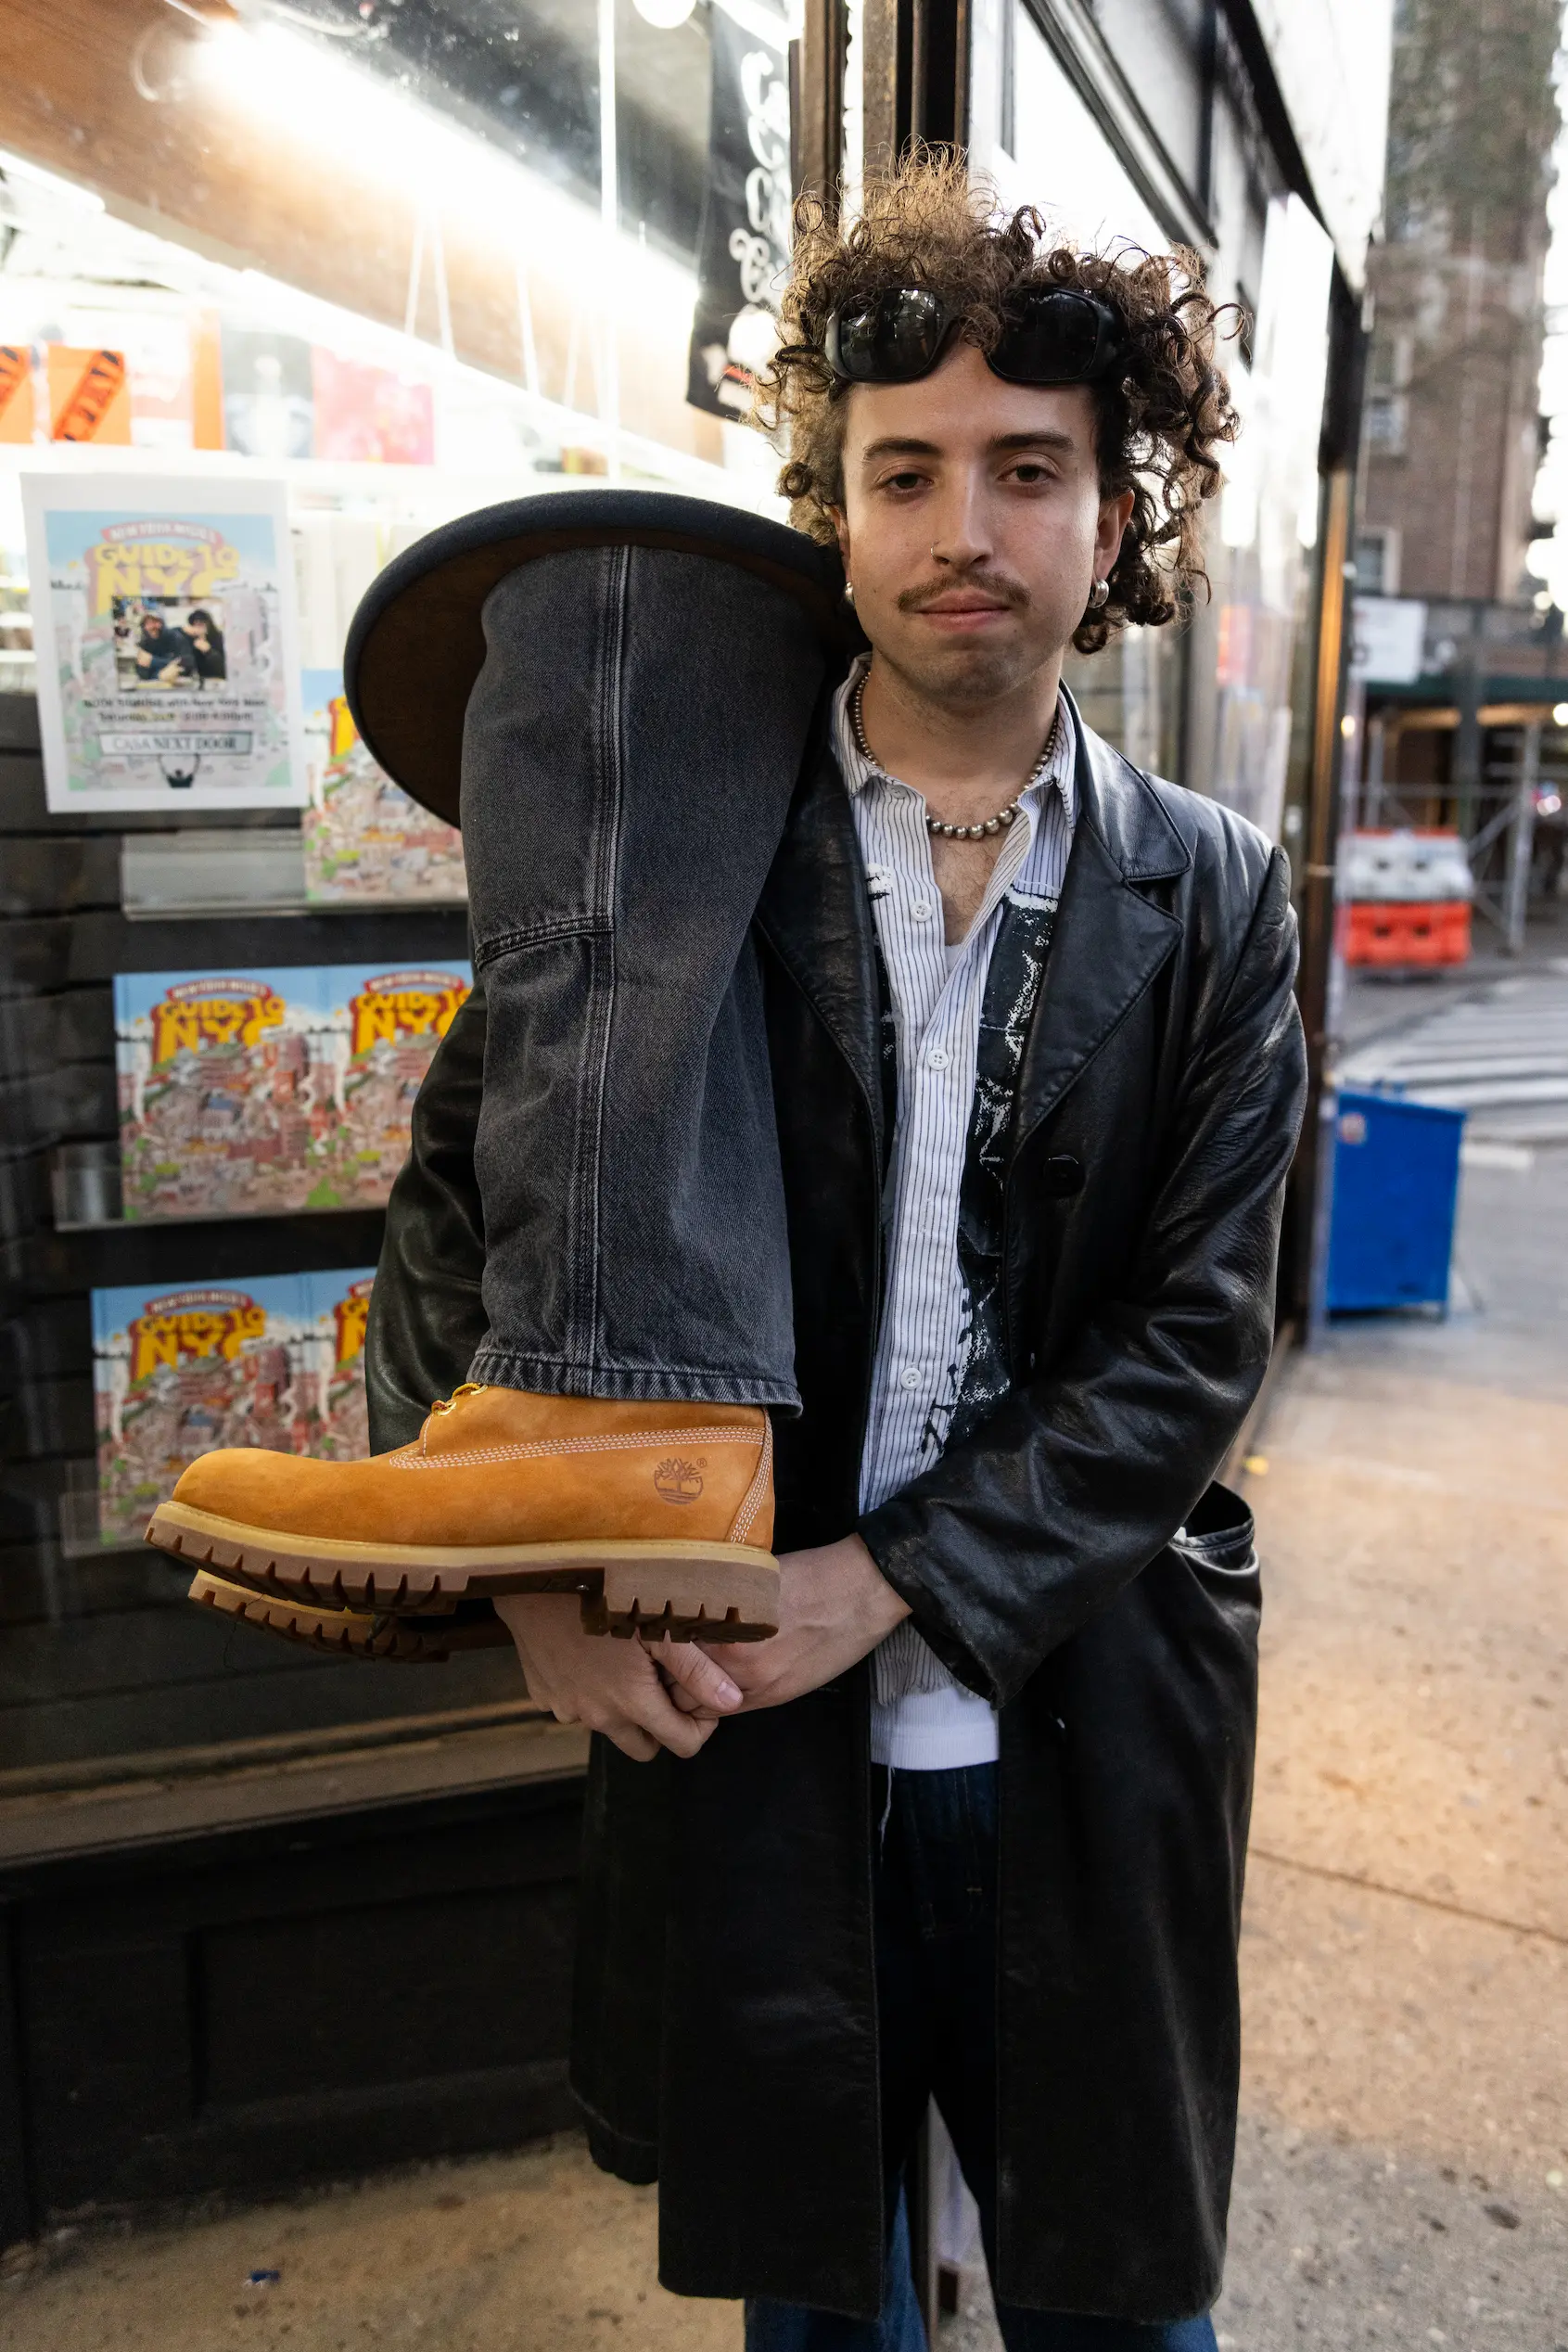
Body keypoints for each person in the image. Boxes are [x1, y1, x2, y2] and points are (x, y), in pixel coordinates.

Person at [152, 161, 1307, 2344]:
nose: (963, 525)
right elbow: (456, 1220)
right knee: (814, 2296)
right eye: (903, 473)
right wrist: (519, 1577)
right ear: (834, 517)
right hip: (730, 1736)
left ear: (1114, 515)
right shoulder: (683, 838)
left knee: (1121, 2293)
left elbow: (1187, 1346)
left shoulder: (1212, 890)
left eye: (1027, 467)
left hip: (1078, 1707)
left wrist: (875, 1585)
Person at [132, 607, 197, 686]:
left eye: (155, 622)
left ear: (162, 623)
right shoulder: (145, 643)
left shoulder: (175, 637)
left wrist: (153, 661)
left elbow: (187, 662)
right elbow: (142, 672)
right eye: (148, 623)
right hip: (156, 684)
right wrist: (159, 675)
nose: (152, 626)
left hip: (179, 683)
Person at [185, 607, 227, 684]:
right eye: (195, 625)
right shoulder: (190, 640)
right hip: (198, 683)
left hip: (218, 682)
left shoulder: (219, 638)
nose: (198, 628)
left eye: (201, 624)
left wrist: (209, 651)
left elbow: (224, 668)